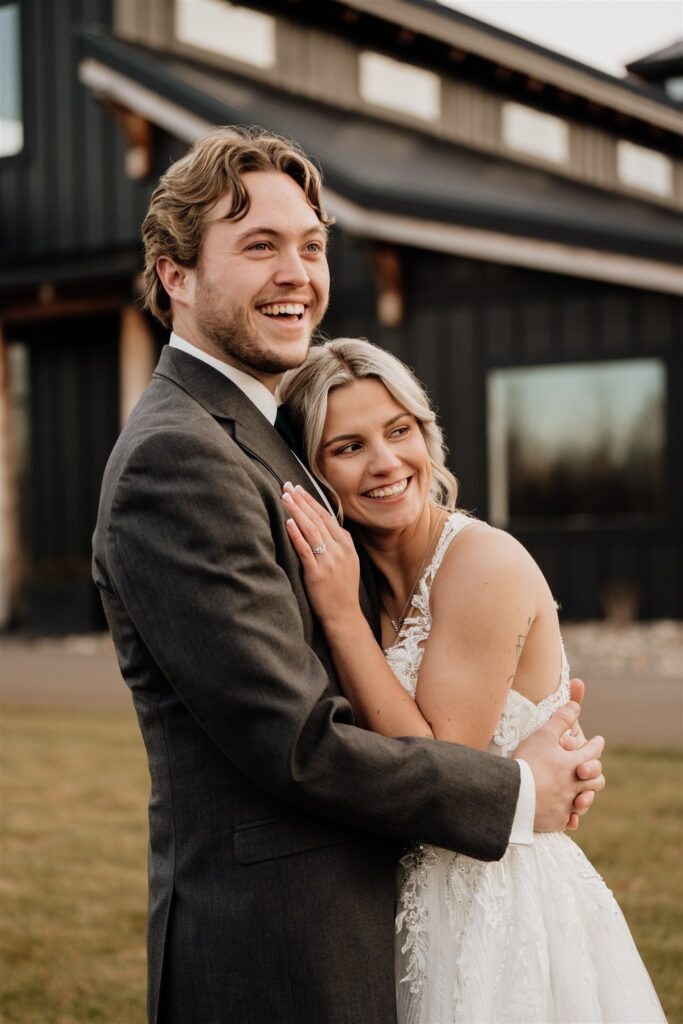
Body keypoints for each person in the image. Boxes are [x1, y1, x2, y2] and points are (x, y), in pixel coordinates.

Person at [92, 126, 605, 1024]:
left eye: (312, 245)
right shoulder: (176, 460)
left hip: (369, 924)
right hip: (278, 952)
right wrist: (517, 789)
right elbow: (297, 744)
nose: (297, 273)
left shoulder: (257, 433)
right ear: (174, 274)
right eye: (259, 246)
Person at [278, 337, 665, 1024]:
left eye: (399, 431)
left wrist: (341, 618)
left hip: (497, 907)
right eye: (348, 447)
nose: (386, 462)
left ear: (427, 434)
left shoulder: (482, 562)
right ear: (313, 474)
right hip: (390, 906)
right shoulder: (355, 574)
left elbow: (442, 765)